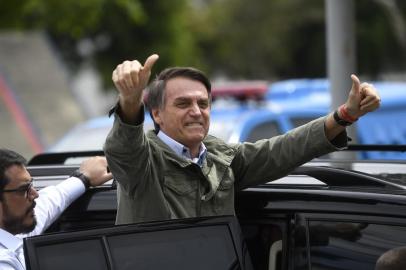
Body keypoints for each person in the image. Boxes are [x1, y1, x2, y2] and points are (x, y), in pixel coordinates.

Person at [104, 54, 381, 224]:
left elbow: (282, 151)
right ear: (157, 115)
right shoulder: (142, 163)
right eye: (183, 104)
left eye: (203, 103)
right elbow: (123, 149)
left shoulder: (219, 157)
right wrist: (129, 100)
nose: (196, 112)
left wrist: (345, 115)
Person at [0, 148, 113, 270]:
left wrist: (83, 178)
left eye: (31, 185)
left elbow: (50, 201)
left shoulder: (12, 230)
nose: (35, 195)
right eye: (24, 189)